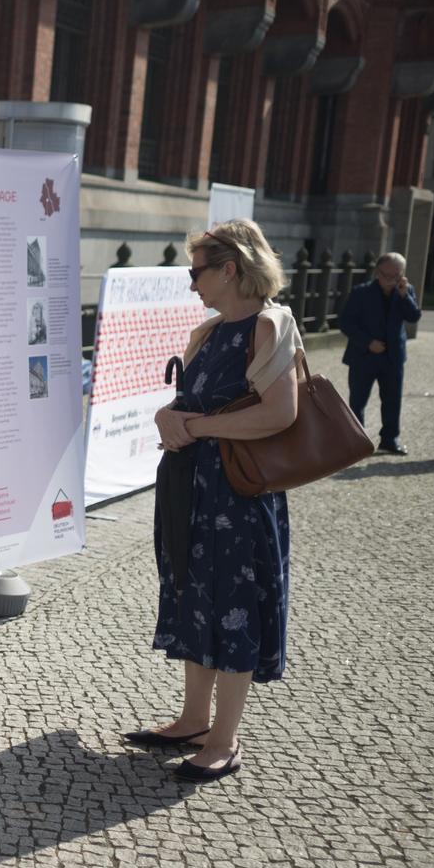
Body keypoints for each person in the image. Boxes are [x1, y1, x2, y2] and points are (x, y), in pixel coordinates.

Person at [131, 218, 302, 783]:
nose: (191, 283)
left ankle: (224, 740)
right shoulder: (211, 332)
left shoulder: (268, 326)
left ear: (230, 269)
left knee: (235, 604)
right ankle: (192, 720)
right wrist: (169, 417)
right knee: (194, 595)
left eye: (197, 271)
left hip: (239, 498)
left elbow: (281, 415)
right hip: (194, 489)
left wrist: (196, 427)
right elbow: (193, 404)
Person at [337, 252, 421, 454]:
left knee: (392, 399)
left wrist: (404, 296)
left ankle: (390, 439)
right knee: (357, 401)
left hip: (393, 357)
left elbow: (414, 316)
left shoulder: (405, 290)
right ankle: (357, 441)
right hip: (363, 356)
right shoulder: (361, 292)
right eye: (386, 275)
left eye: (396, 275)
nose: (390, 280)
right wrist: (367, 342)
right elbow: (346, 323)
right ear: (377, 272)